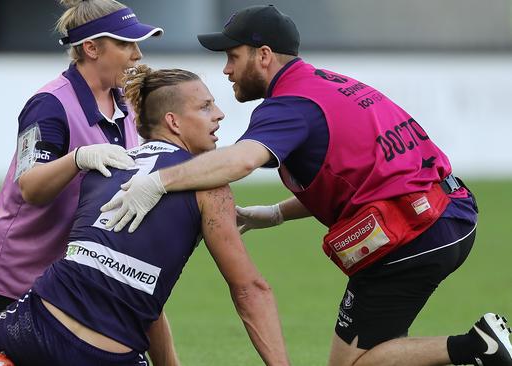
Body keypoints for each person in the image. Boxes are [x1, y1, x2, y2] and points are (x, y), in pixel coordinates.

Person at [99, 5, 512, 366]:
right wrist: (276, 213)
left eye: (232, 56)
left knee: (356, 363)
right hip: (448, 211)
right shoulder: (328, 84)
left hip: (416, 233)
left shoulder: (290, 105)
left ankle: (478, 346)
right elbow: (357, 176)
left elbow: (240, 161)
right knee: (379, 349)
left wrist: (158, 181)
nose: (226, 69)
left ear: (263, 56)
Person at [0, 65, 291, 366]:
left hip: (38, 317)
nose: (219, 115)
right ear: (173, 122)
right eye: (205, 107)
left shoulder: (108, 164)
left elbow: (123, 278)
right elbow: (249, 289)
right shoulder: (210, 186)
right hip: (103, 354)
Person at [0, 0, 165, 357]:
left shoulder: (125, 104)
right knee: (5, 357)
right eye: (126, 44)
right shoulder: (49, 104)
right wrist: (78, 159)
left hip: (78, 268)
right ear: (91, 48)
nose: (137, 54)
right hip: (25, 264)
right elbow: (31, 186)